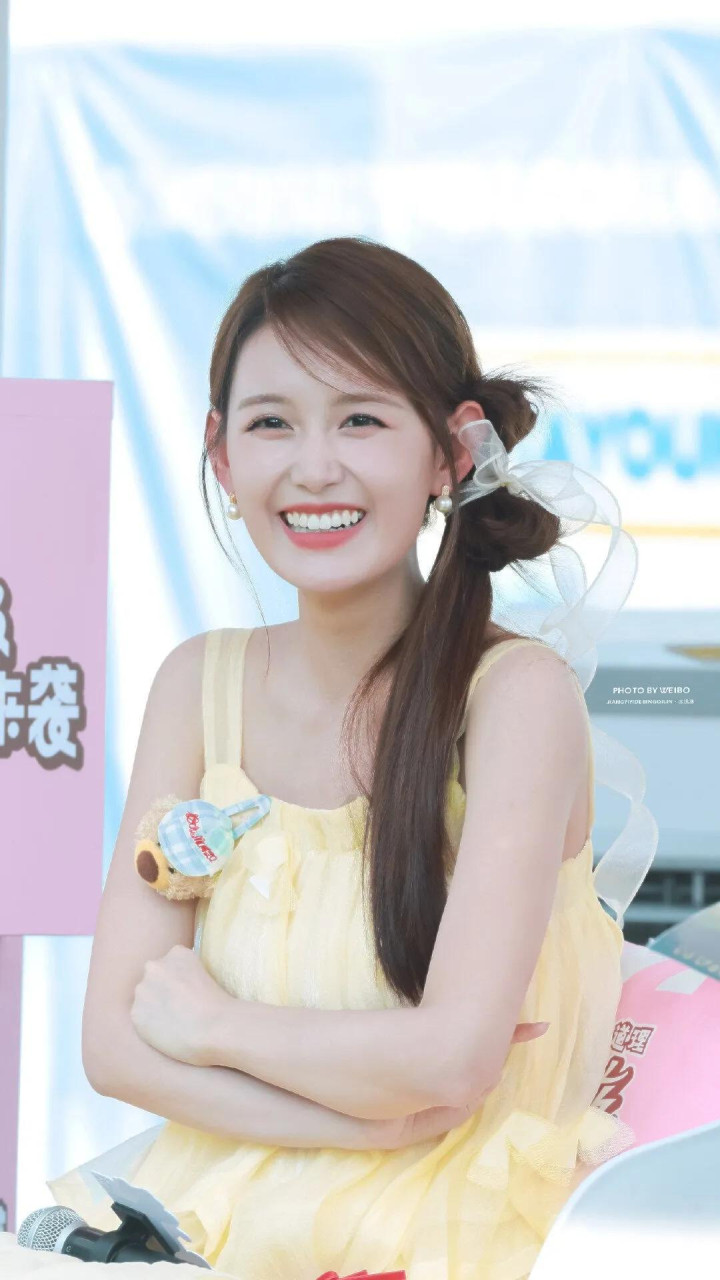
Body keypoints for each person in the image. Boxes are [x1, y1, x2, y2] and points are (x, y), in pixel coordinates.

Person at [8, 237, 644, 1280]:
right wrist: (360, 1120)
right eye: (271, 423)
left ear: (450, 451)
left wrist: (215, 1025)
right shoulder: (196, 683)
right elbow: (115, 1046)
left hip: (446, 1222)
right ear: (221, 455)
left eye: (361, 419)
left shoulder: (514, 696)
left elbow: (452, 1059)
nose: (313, 468)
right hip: (203, 1211)